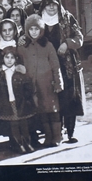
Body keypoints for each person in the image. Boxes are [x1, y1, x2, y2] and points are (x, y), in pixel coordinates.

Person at [40, 0, 85, 144]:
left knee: (69, 97)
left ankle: (70, 133)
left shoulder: (67, 18)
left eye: (54, 4)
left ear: (59, 5)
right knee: (53, 98)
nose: (51, 7)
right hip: (47, 65)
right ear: (43, 6)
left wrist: (67, 43)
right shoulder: (38, 20)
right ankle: (56, 133)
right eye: (48, 4)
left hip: (67, 65)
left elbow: (79, 38)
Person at [20, 14, 64, 149]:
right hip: (33, 85)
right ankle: (48, 137)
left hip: (48, 84)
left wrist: (58, 82)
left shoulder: (48, 45)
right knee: (41, 111)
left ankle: (57, 136)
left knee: (53, 110)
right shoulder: (23, 46)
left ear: (41, 30)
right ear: (27, 31)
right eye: (31, 29)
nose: (34, 32)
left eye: (37, 29)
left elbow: (55, 65)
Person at [0, 45, 36, 154]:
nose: (9, 60)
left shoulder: (20, 72)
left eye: (12, 57)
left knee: (23, 124)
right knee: (14, 125)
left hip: (20, 102)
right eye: (7, 57)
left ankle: (27, 143)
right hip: (8, 103)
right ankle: (19, 144)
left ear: (16, 59)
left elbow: (28, 87)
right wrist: (0, 102)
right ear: (2, 59)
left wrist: (26, 98)